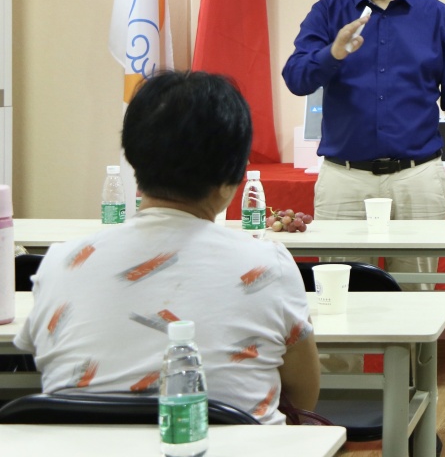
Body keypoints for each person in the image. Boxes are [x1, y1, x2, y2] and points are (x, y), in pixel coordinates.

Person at [15, 71, 319, 424]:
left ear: (133, 158)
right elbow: (302, 395)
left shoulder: (61, 263)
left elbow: (46, 365)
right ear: (233, 177)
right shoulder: (269, 265)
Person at [282, 0, 445, 287]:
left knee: (417, 298)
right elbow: (296, 77)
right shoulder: (329, 13)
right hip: (345, 179)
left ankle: (413, 351)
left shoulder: (438, 17)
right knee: (338, 299)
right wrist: (333, 54)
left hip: (417, 177)